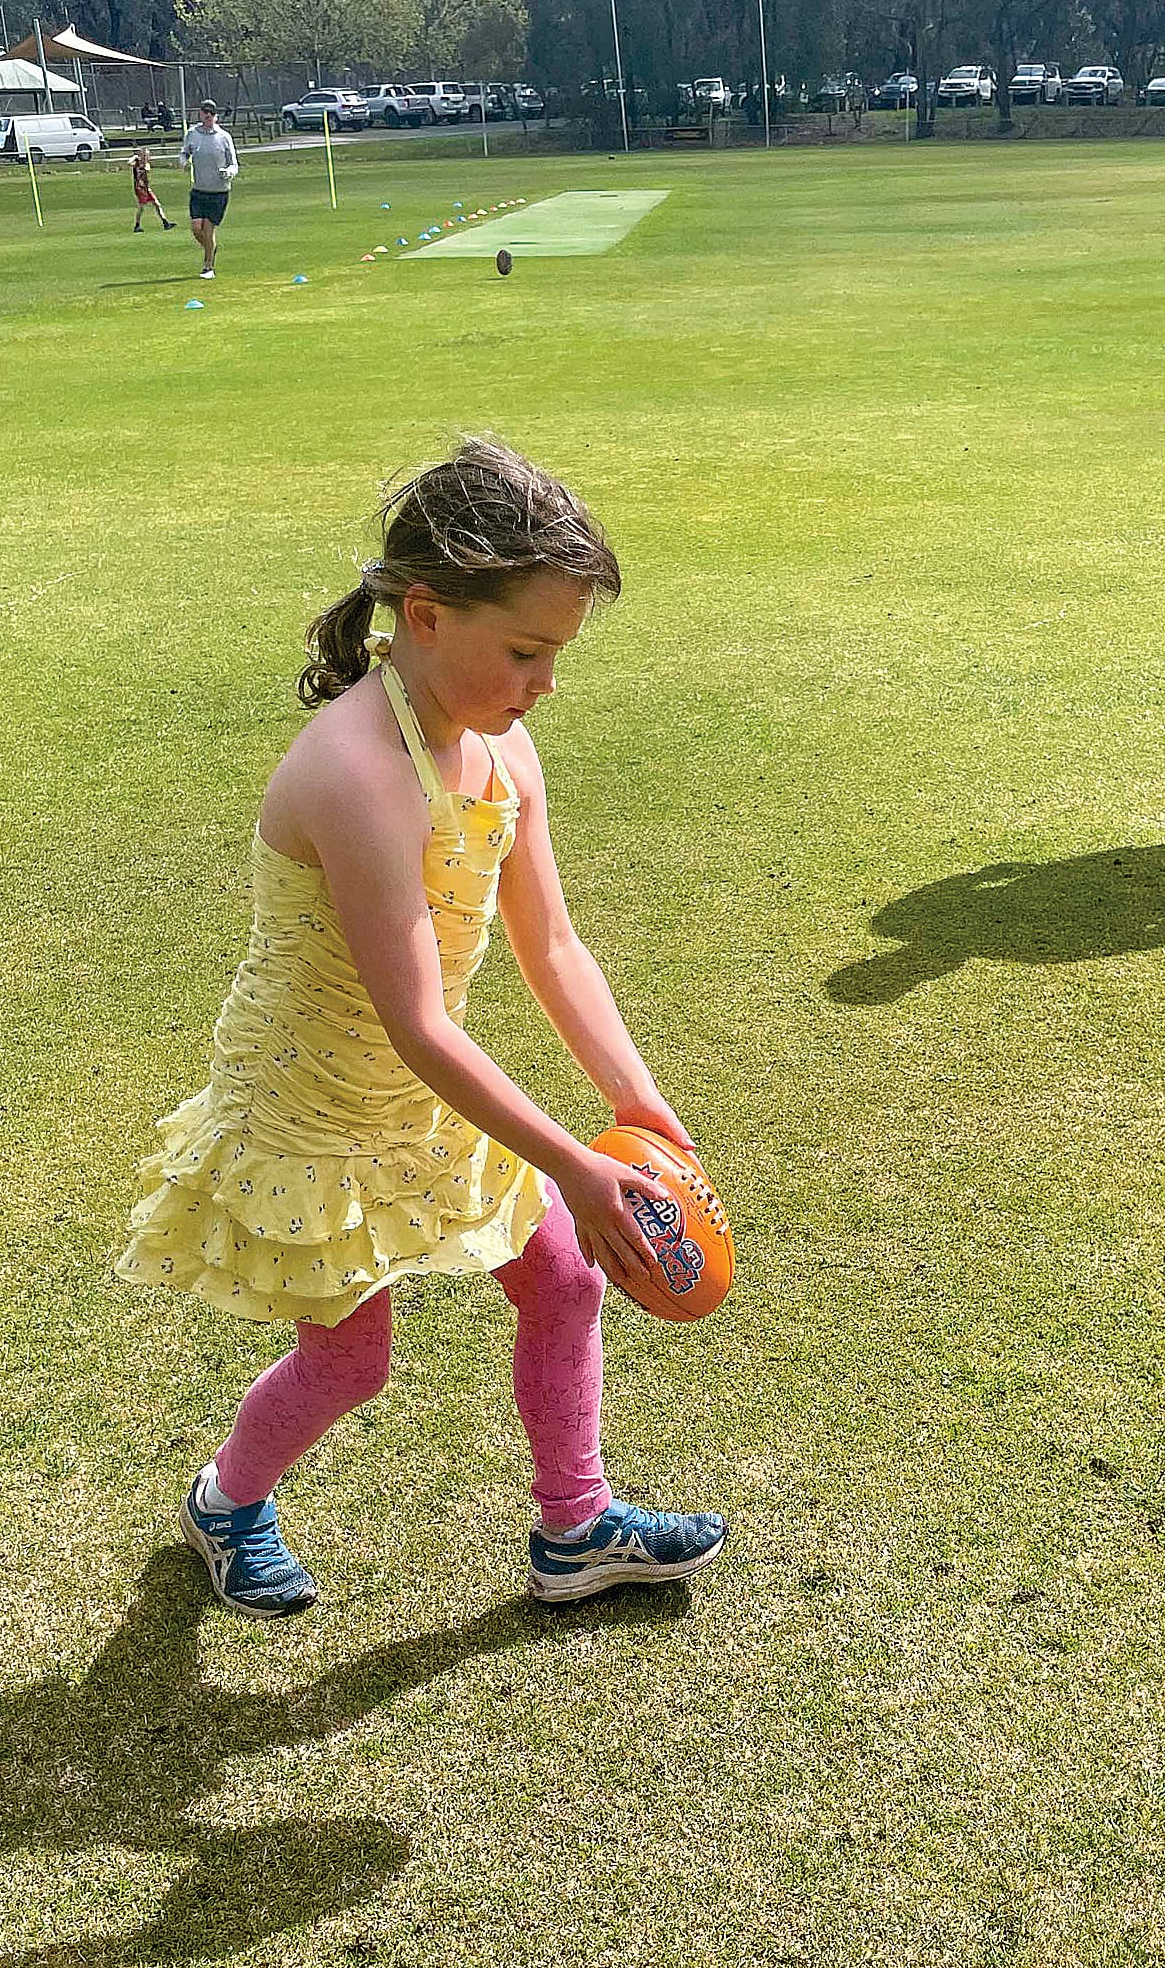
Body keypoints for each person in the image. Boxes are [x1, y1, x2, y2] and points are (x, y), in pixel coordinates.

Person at [118, 440, 727, 1617]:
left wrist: (639, 1106)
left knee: (560, 1280)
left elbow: (552, 946)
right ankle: (225, 1502)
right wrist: (573, 1161)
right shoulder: (356, 774)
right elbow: (411, 1022)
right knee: (352, 1364)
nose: (546, 680)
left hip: (435, 1094)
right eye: (527, 651)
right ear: (426, 614)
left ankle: (576, 1529)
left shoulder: (500, 742)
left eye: (558, 654)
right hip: (316, 1108)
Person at [178, 98, 237, 278]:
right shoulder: (192, 134)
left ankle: (208, 267)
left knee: (209, 229)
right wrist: (183, 162)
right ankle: (211, 248)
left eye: (211, 114)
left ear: (215, 116)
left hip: (218, 192)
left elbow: (234, 164)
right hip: (199, 189)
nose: (208, 117)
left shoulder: (224, 137)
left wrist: (228, 172)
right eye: (205, 113)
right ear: (201, 114)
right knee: (197, 228)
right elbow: (184, 152)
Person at [130, 146, 172, 232]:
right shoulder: (136, 163)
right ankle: (137, 226)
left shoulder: (146, 165)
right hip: (140, 188)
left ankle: (165, 223)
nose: (148, 157)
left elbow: (147, 170)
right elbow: (129, 163)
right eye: (146, 155)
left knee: (157, 204)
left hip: (146, 188)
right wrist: (134, 157)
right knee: (141, 207)